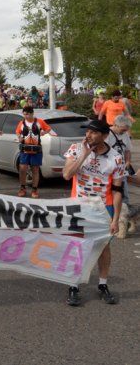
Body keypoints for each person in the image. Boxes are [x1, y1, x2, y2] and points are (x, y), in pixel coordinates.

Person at [63, 120, 124, 306]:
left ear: (105, 136)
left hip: (103, 208)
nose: (88, 135)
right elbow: (67, 174)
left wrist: (115, 219)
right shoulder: (76, 149)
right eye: (87, 131)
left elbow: (117, 191)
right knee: (77, 246)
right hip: (79, 206)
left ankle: (103, 285)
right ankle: (73, 285)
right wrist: (83, 155)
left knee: (103, 248)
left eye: (93, 132)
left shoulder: (116, 158)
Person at [15, 106, 52, 198]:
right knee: (22, 169)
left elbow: (48, 128)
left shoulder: (39, 121)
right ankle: (22, 188)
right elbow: (17, 131)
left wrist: (44, 132)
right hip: (25, 149)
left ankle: (34, 190)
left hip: (36, 149)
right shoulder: (22, 123)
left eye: (27, 114)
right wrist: (19, 137)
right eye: (24, 114)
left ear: (32, 113)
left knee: (35, 170)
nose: (25, 116)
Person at [107, 115, 135, 238]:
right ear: (116, 125)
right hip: (109, 170)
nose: (124, 132)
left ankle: (124, 223)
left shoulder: (124, 134)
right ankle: (113, 222)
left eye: (126, 130)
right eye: (123, 129)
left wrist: (127, 162)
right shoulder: (106, 134)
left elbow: (127, 150)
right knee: (110, 196)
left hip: (122, 170)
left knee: (124, 198)